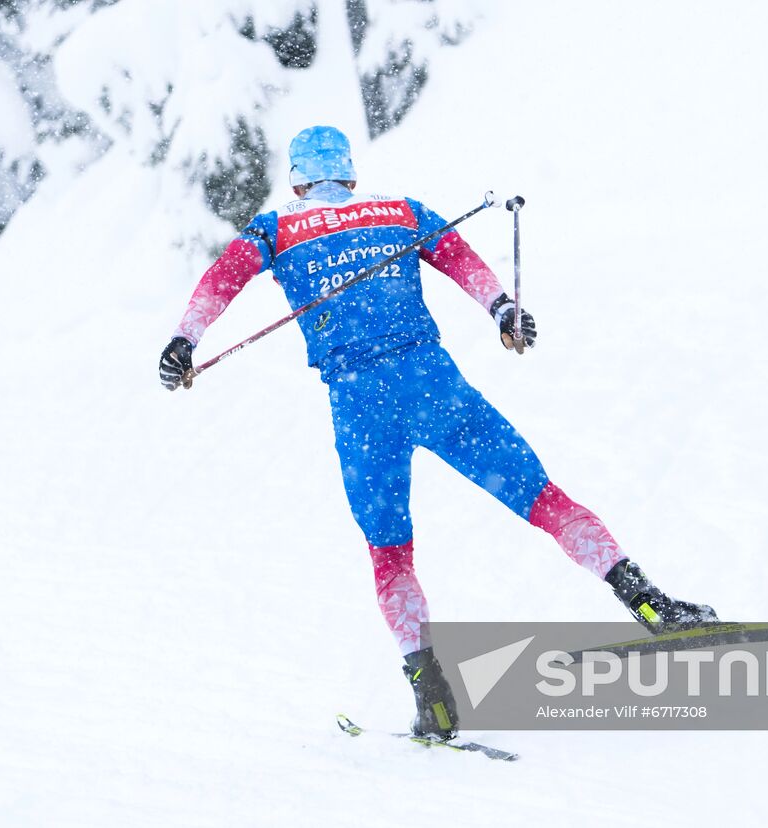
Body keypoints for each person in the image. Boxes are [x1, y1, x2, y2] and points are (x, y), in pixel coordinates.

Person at [159, 125, 717, 739]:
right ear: (349, 175)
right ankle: (653, 606)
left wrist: (186, 343)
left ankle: (434, 695)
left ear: (296, 179)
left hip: (361, 412)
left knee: (390, 555)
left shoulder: (275, 229)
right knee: (543, 501)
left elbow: (220, 282)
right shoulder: (401, 211)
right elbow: (460, 260)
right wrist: (504, 310)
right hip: (435, 389)